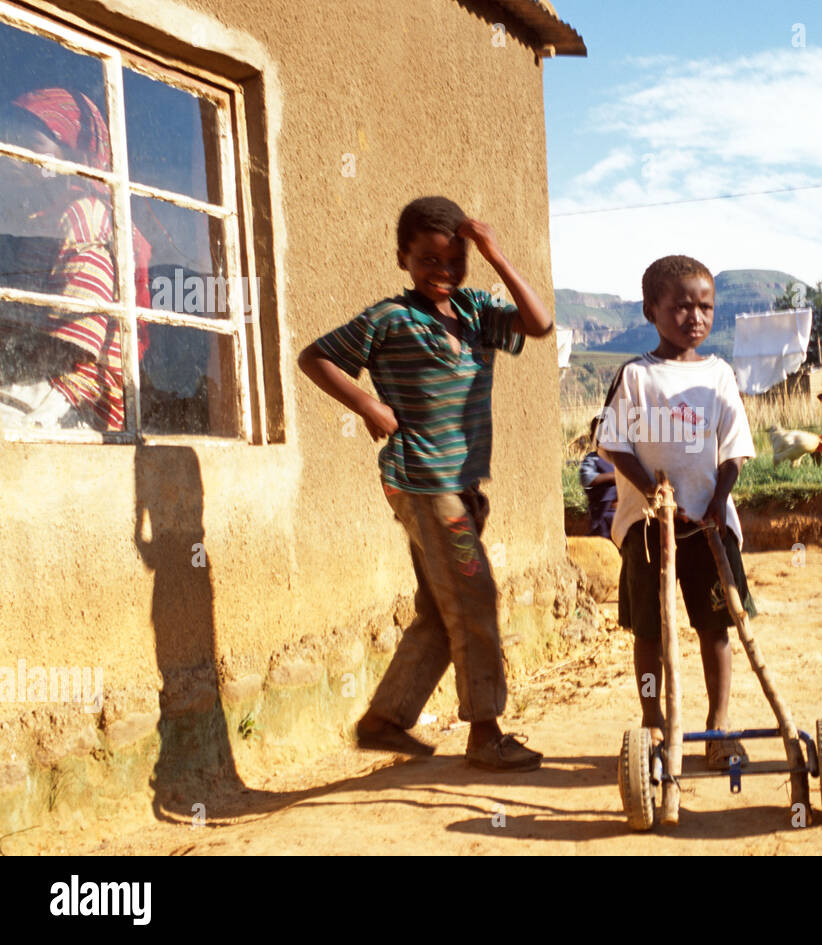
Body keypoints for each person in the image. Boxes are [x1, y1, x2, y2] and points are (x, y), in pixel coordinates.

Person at [297, 196, 552, 771]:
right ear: (403, 259)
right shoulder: (390, 318)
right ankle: (486, 733)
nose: (443, 273)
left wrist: (496, 255)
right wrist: (366, 403)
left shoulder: (477, 311)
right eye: (428, 261)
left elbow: (538, 324)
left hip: (462, 487)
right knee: (474, 595)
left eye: (454, 261)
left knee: (443, 610)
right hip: (420, 480)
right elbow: (314, 357)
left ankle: (384, 720)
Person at [597, 254, 757, 770]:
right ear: (651, 310)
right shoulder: (637, 376)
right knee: (651, 630)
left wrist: (716, 501)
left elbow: (733, 451)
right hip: (648, 528)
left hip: (709, 525)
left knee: (717, 626)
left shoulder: (719, 376)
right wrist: (650, 490)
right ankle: (653, 723)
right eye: (681, 306)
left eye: (705, 307)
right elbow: (613, 444)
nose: (695, 317)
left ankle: (718, 725)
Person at [0, 87, 152, 432]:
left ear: (70, 159)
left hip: (70, 400)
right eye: (9, 142)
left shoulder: (85, 215)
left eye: (32, 147)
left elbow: (73, 351)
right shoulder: (29, 221)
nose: (12, 156)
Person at [578, 414, 616, 539]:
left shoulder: (621, 460)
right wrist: (611, 477)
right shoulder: (592, 459)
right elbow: (586, 478)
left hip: (623, 515)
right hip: (603, 516)